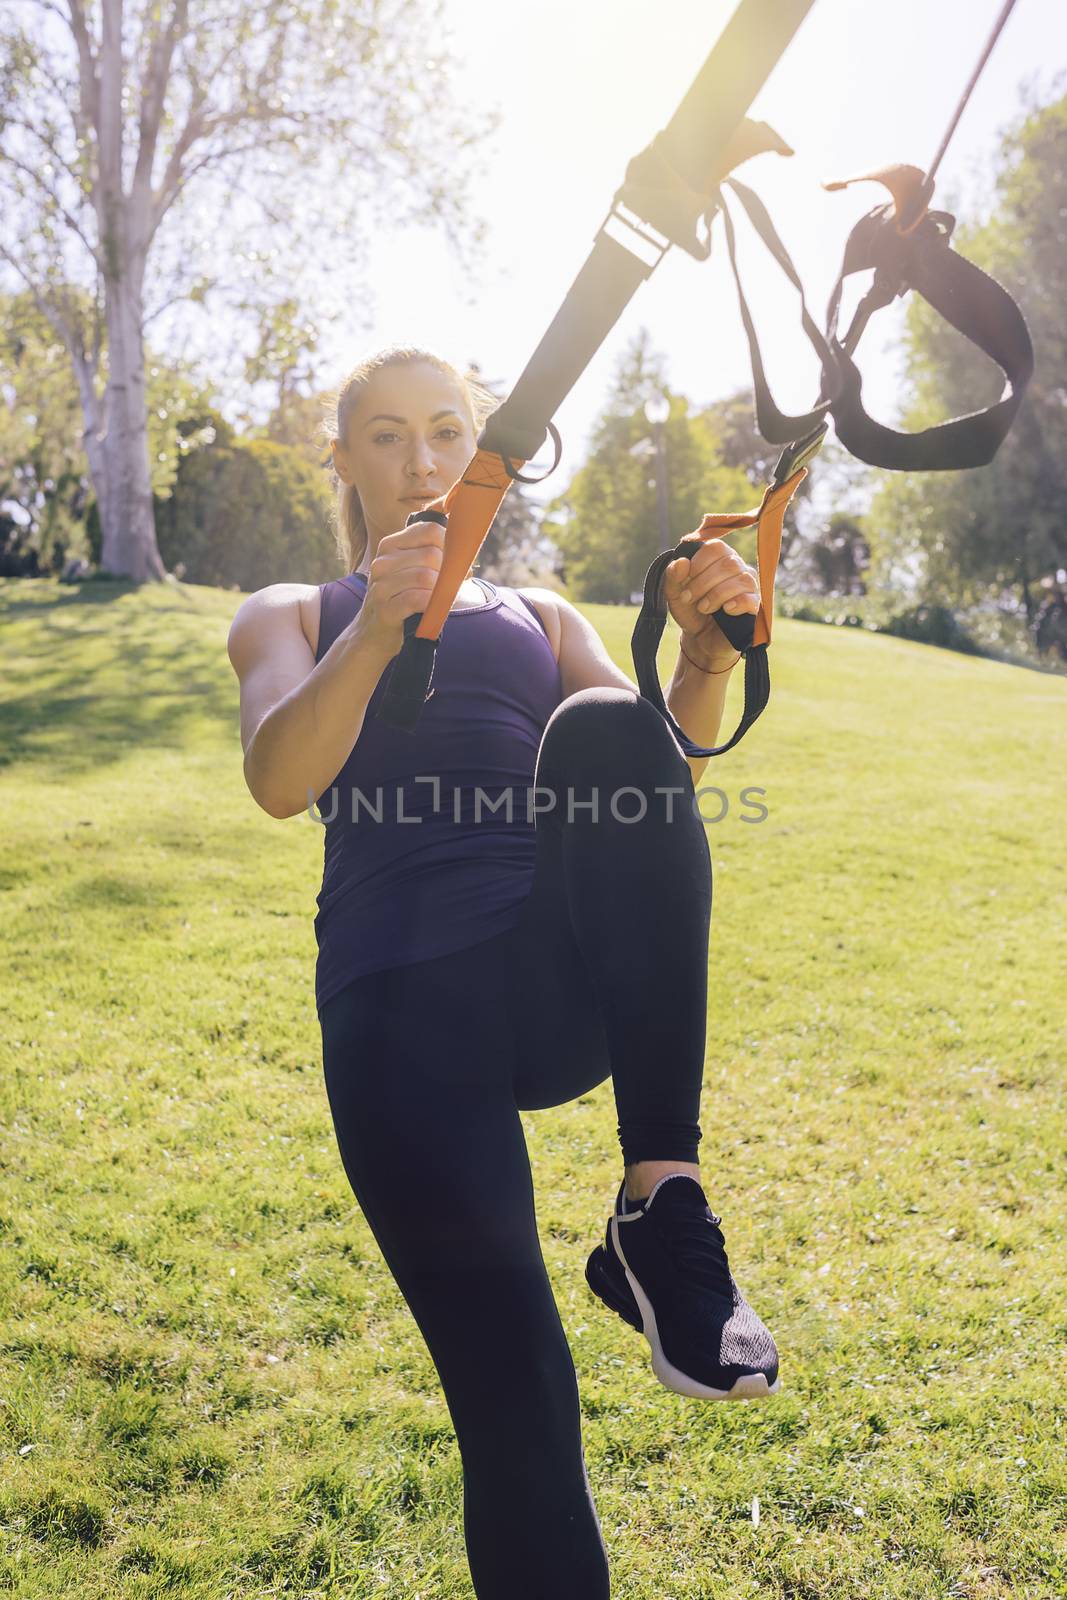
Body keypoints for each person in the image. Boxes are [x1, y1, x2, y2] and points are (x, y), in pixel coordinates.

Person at [227, 344, 780, 1599]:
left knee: (601, 726)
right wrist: (377, 621)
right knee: (520, 1398)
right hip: (400, 1014)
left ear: (485, 450)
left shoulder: (540, 615)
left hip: (547, 978)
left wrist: (700, 656)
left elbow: (656, 785)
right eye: (382, 435)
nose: (419, 460)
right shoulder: (288, 612)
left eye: (443, 431)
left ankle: (661, 1207)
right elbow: (278, 777)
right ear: (344, 460)